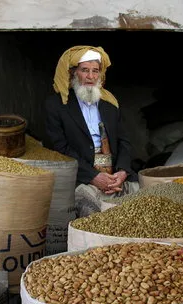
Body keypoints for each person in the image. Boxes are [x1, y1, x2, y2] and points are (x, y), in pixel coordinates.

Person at [44, 45, 139, 217]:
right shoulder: (57, 105)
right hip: (82, 176)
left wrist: (122, 171)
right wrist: (92, 176)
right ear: (73, 73)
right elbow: (59, 148)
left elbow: (124, 141)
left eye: (95, 71)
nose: (90, 76)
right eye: (85, 70)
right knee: (91, 210)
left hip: (114, 176)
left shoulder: (110, 105)